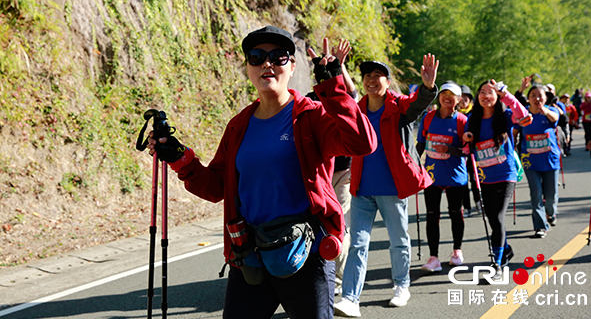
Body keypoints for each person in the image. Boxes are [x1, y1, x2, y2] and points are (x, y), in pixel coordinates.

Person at [148, 25, 377, 319]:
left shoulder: (311, 116)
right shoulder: (238, 125)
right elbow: (217, 186)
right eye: (256, 57)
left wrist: (332, 88)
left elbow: (362, 142)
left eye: (278, 56)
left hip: (305, 252)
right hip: (250, 254)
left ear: (292, 67)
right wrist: (179, 157)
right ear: (248, 68)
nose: (266, 63)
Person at [334, 55, 439, 317]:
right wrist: (337, 68)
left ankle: (402, 286)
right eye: (367, 76)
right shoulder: (357, 109)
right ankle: (350, 298)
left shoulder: (399, 106)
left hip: (392, 188)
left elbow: (418, 105)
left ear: (388, 81)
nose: (371, 80)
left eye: (377, 75)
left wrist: (427, 87)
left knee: (398, 240)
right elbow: (339, 97)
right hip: (361, 189)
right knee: (357, 244)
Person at [463, 80, 529, 279]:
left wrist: (506, 94)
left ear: (497, 96)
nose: (485, 96)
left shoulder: (507, 116)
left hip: (505, 174)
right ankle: (505, 248)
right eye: (482, 92)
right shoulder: (471, 119)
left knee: (498, 217)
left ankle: (497, 266)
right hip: (484, 176)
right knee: (491, 218)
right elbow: (467, 148)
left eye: (490, 92)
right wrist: (466, 142)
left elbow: (525, 117)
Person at [306, 39, 356, 295]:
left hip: (343, 172)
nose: (323, 69)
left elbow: (351, 96)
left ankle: (335, 280)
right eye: (319, 67)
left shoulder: (341, 94)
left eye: (327, 67)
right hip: (318, 173)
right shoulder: (307, 100)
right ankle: (314, 273)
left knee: (339, 224)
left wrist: (339, 67)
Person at [416, 81, 468, 272]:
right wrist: (414, 162)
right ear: (439, 96)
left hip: (455, 176)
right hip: (432, 175)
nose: (447, 97)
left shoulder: (462, 121)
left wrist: (450, 149)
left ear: (459, 99)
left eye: (452, 94)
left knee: (456, 214)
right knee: (432, 215)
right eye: (443, 93)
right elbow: (420, 144)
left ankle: (457, 251)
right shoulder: (428, 118)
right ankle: (433, 257)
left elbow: (468, 149)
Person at [519, 85, 561, 239]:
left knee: (550, 196)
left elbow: (556, 119)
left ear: (546, 97)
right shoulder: (523, 113)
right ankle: (540, 226)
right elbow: (515, 130)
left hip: (550, 159)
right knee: (536, 194)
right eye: (533, 96)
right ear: (528, 98)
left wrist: (545, 111)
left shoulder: (551, 110)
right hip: (530, 161)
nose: (537, 99)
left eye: (540, 96)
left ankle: (551, 213)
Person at [458, 84, 481, 215]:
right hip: (460, 152)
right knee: (463, 180)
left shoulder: (475, 113)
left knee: (475, 178)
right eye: (461, 97)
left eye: (466, 98)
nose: (463, 100)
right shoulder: (454, 114)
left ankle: (478, 202)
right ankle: (466, 206)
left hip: (474, 151)